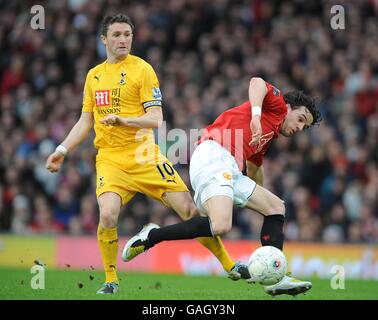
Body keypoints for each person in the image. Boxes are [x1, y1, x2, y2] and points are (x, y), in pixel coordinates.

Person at [45, 14, 247, 294]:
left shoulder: (142, 69)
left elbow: (155, 118)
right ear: (104, 39)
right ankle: (111, 279)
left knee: (190, 211)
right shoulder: (94, 76)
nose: (123, 40)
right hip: (111, 160)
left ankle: (229, 265)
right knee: (107, 215)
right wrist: (62, 149)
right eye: (116, 35)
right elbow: (85, 121)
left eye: (127, 34)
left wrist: (124, 120)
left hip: (145, 156)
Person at [122, 77, 322, 296]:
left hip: (231, 168)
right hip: (214, 153)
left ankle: (275, 278)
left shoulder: (267, 135)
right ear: (290, 107)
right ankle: (152, 236)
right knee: (221, 226)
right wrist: (256, 116)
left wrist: (258, 203)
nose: (299, 127)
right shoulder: (276, 106)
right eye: (300, 119)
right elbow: (257, 82)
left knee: (275, 207)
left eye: (304, 126)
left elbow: (254, 169)